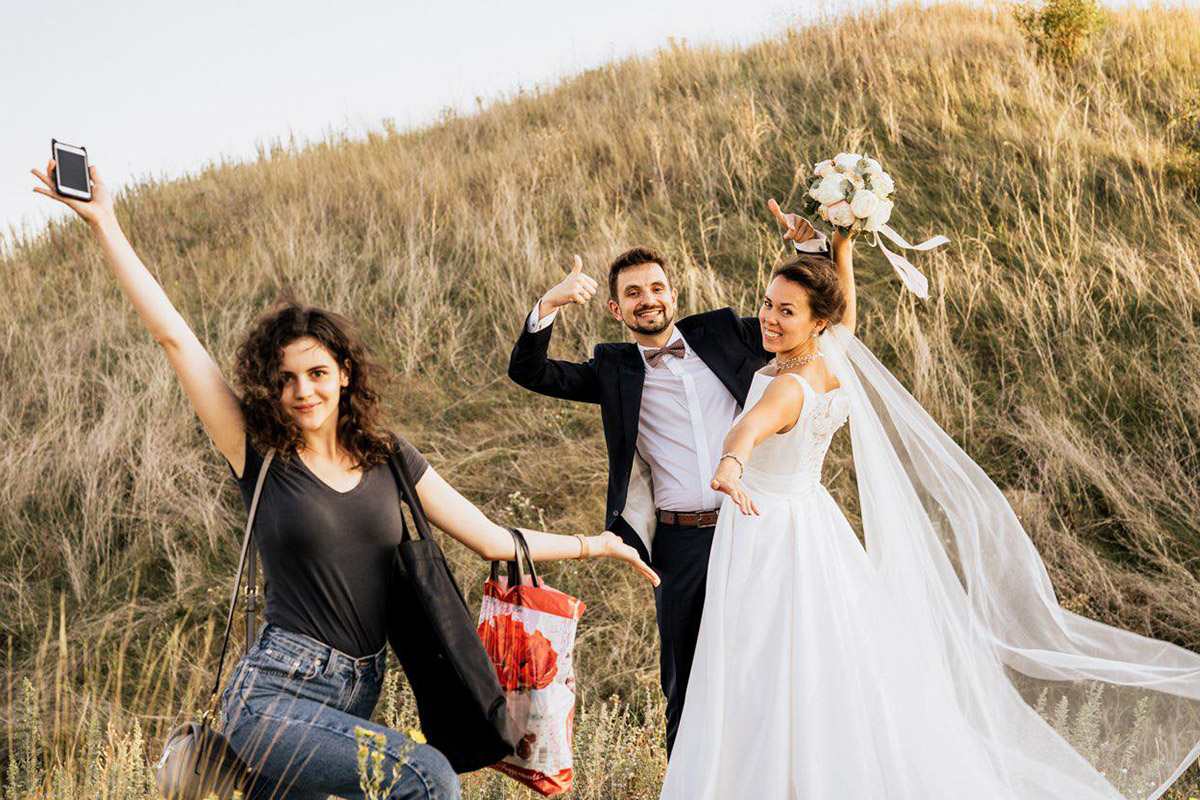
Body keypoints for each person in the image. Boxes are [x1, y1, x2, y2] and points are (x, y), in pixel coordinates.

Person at [32, 160, 658, 800]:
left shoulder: (390, 458)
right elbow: (174, 339)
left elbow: (491, 538)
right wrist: (105, 222)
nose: (302, 391)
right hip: (272, 696)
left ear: (345, 374)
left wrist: (597, 544)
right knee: (428, 778)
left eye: (317, 374)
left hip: (354, 693)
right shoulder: (258, 454)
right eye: (285, 379)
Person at [660, 207, 1200, 798]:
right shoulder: (830, 361)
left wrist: (730, 464)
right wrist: (841, 245)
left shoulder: (787, 386)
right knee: (820, 659)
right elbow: (849, 317)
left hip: (766, 534)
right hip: (811, 525)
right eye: (767, 303)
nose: (768, 317)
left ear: (816, 322)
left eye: (786, 311)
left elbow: (749, 428)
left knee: (760, 663)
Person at [506, 204, 837, 755]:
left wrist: (812, 251)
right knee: (685, 674)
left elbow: (805, 318)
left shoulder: (727, 333)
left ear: (673, 294)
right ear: (616, 308)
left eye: (657, 288)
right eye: (633, 293)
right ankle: (686, 775)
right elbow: (529, 372)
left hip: (753, 527)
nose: (648, 299)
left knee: (769, 662)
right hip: (681, 542)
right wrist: (549, 304)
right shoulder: (612, 369)